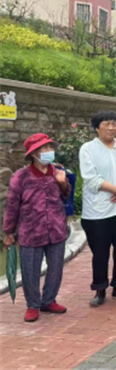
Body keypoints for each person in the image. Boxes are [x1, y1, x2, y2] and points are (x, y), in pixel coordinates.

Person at [3, 134, 70, 322]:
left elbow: (66, 196)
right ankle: (32, 305)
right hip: (31, 231)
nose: (48, 152)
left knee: (56, 268)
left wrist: (62, 182)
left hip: (56, 229)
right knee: (30, 270)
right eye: (43, 149)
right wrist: (8, 232)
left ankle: (49, 300)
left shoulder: (58, 171)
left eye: (50, 148)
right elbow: (12, 206)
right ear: (33, 154)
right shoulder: (21, 176)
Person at [80, 110, 116, 307]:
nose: (112, 128)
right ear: (97, 128)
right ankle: (100, 289)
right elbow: (90, 178)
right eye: (107, 124)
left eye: (114, 124)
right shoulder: (88, 149)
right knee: (100, 252)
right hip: (98, 211)